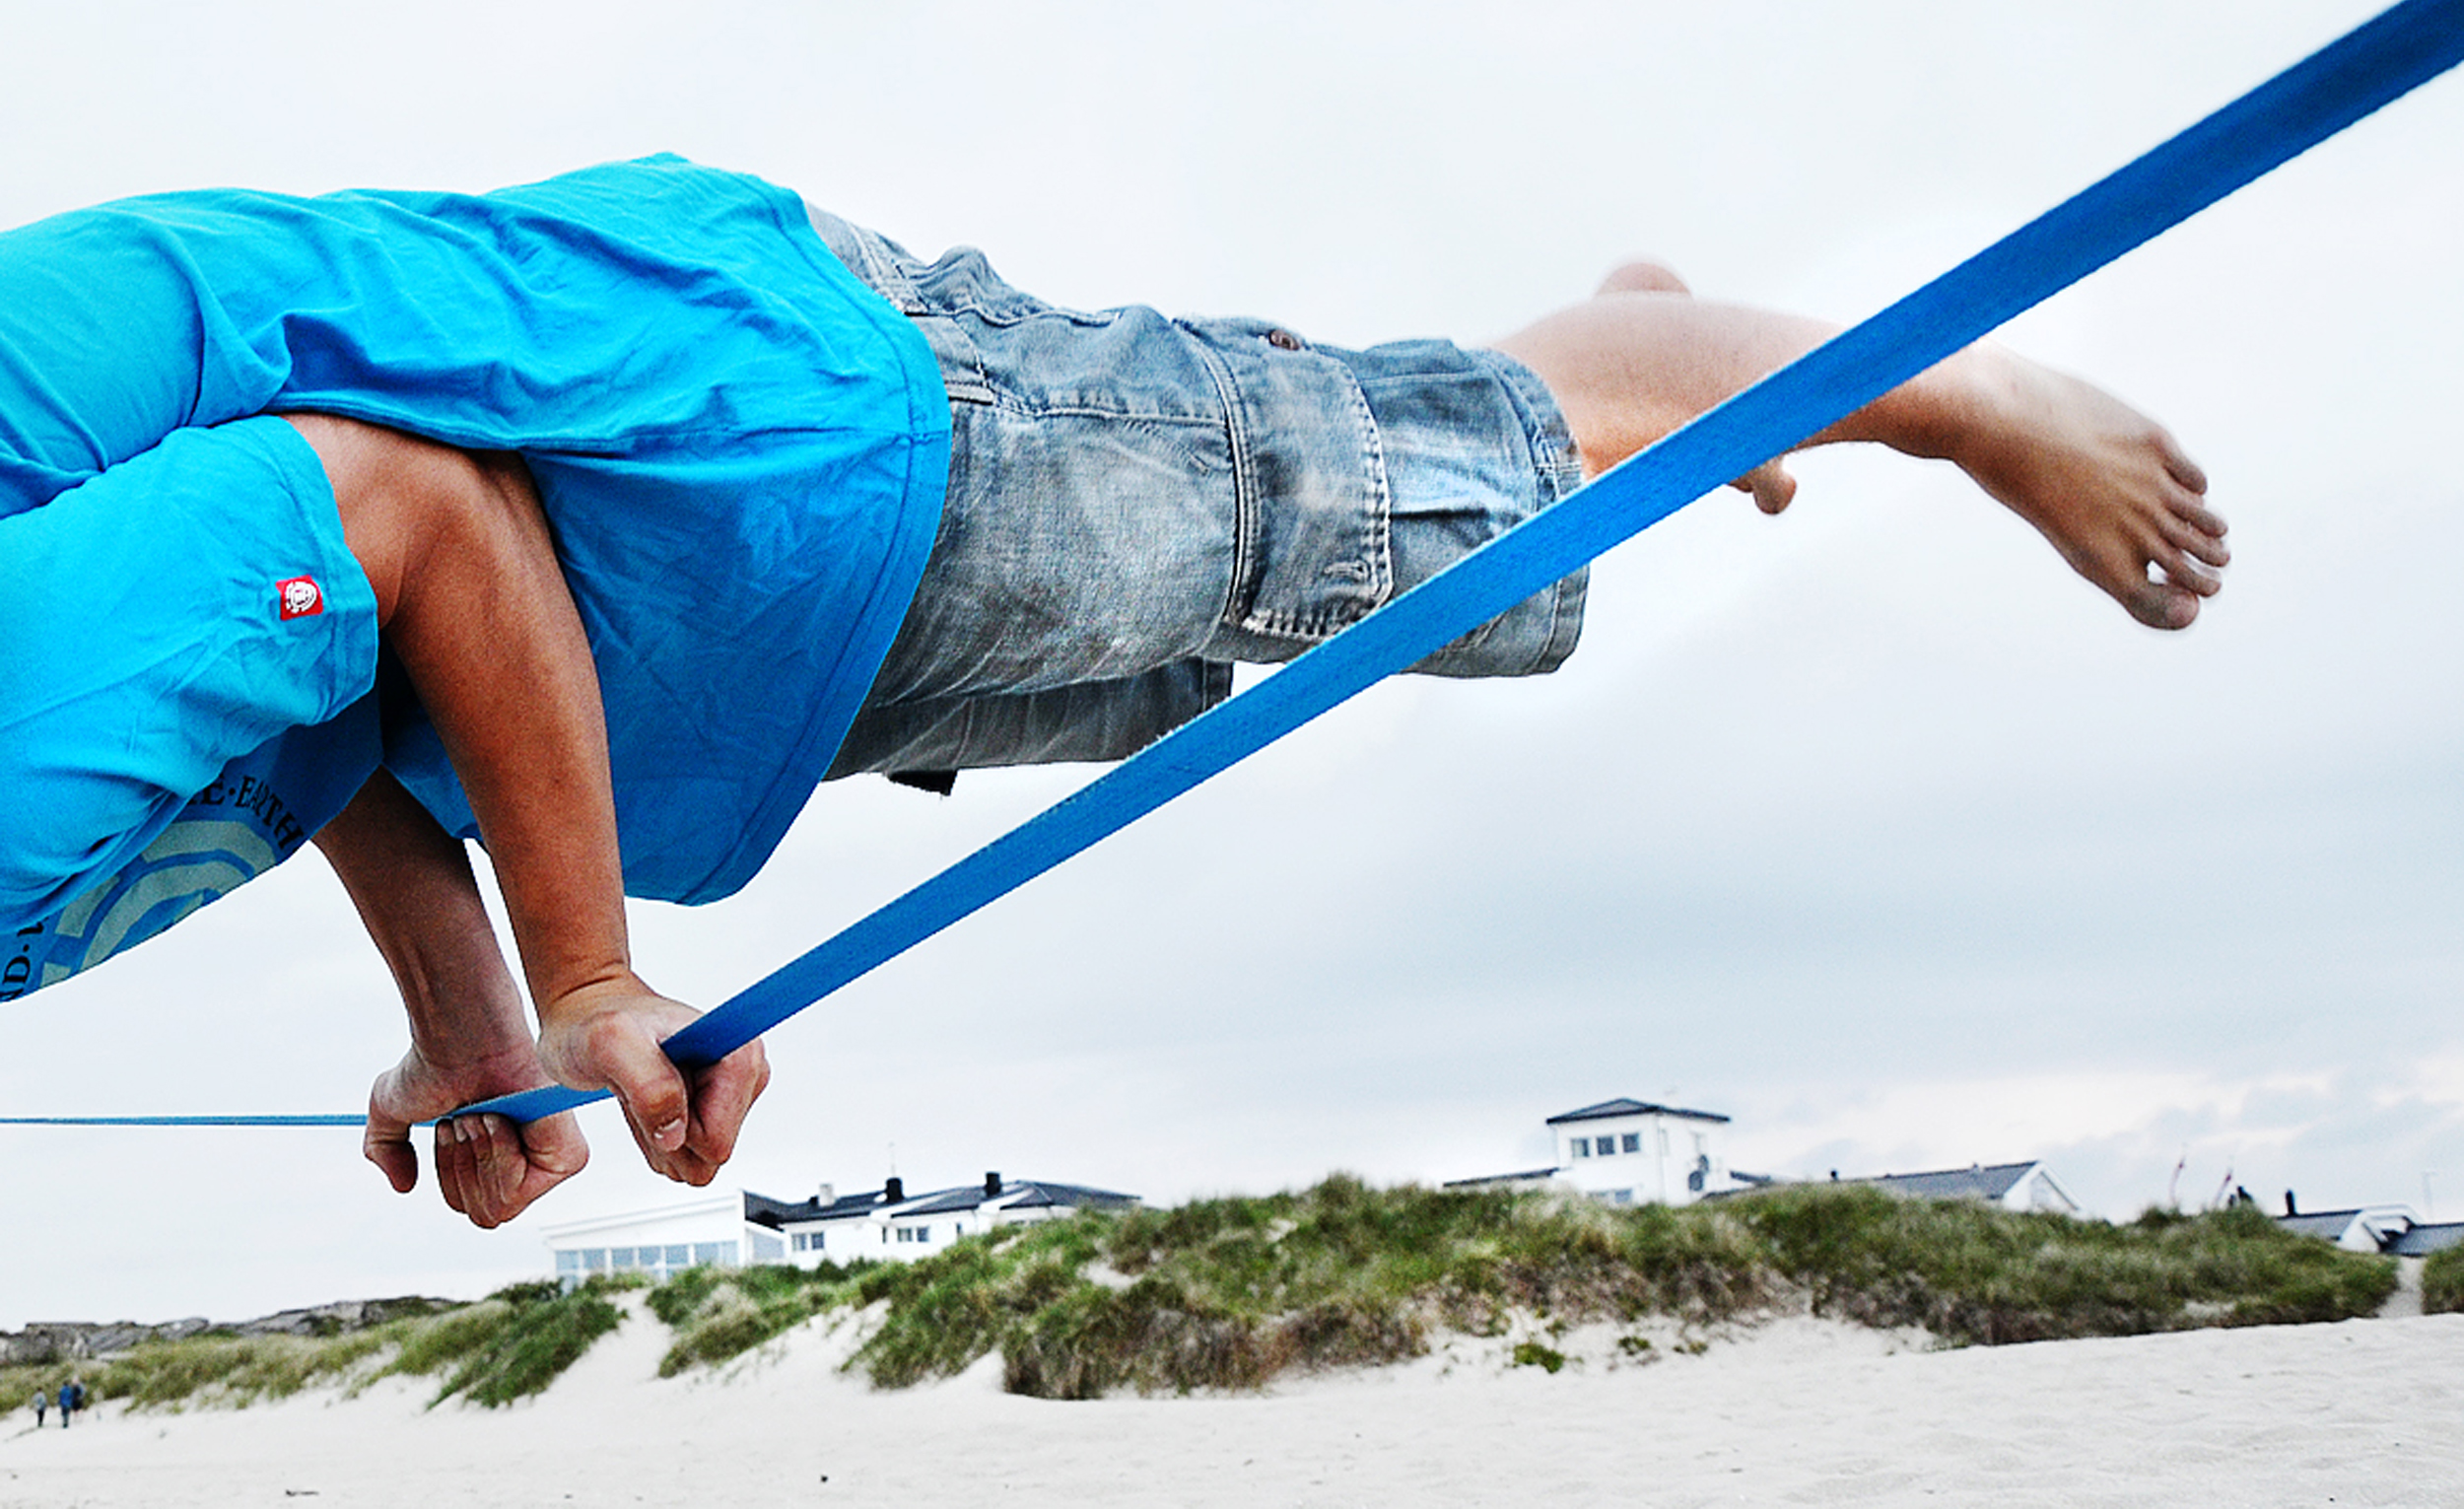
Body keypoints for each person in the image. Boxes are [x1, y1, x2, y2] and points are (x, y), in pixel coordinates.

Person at [0, 157, 2226, 1230]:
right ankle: (1617, 357)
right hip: (691, 653)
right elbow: (297, 653)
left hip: (752, 446)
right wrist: (481, 1029)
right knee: (1398, 539)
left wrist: (574, 974)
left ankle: (1941, 384)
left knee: (1421, 503)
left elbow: (398, 506)